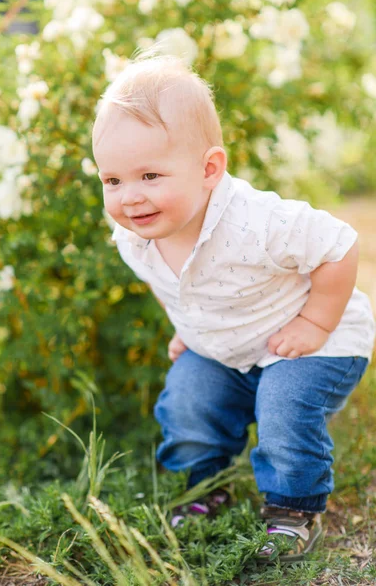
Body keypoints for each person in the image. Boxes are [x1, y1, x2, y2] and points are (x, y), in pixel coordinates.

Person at [92, 51, 375, 563]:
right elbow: (163, 280)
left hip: (313, 340)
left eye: (150, 176)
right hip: (225, 342)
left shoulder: (256, 221)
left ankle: (294, 509)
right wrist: (185, 325)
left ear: (208, 169)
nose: (130, 197)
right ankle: (204, 488)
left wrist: (316, 321)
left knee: (283, 406)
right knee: (187, 398)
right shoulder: (135, 237)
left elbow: (339, 244)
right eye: (113, 180)